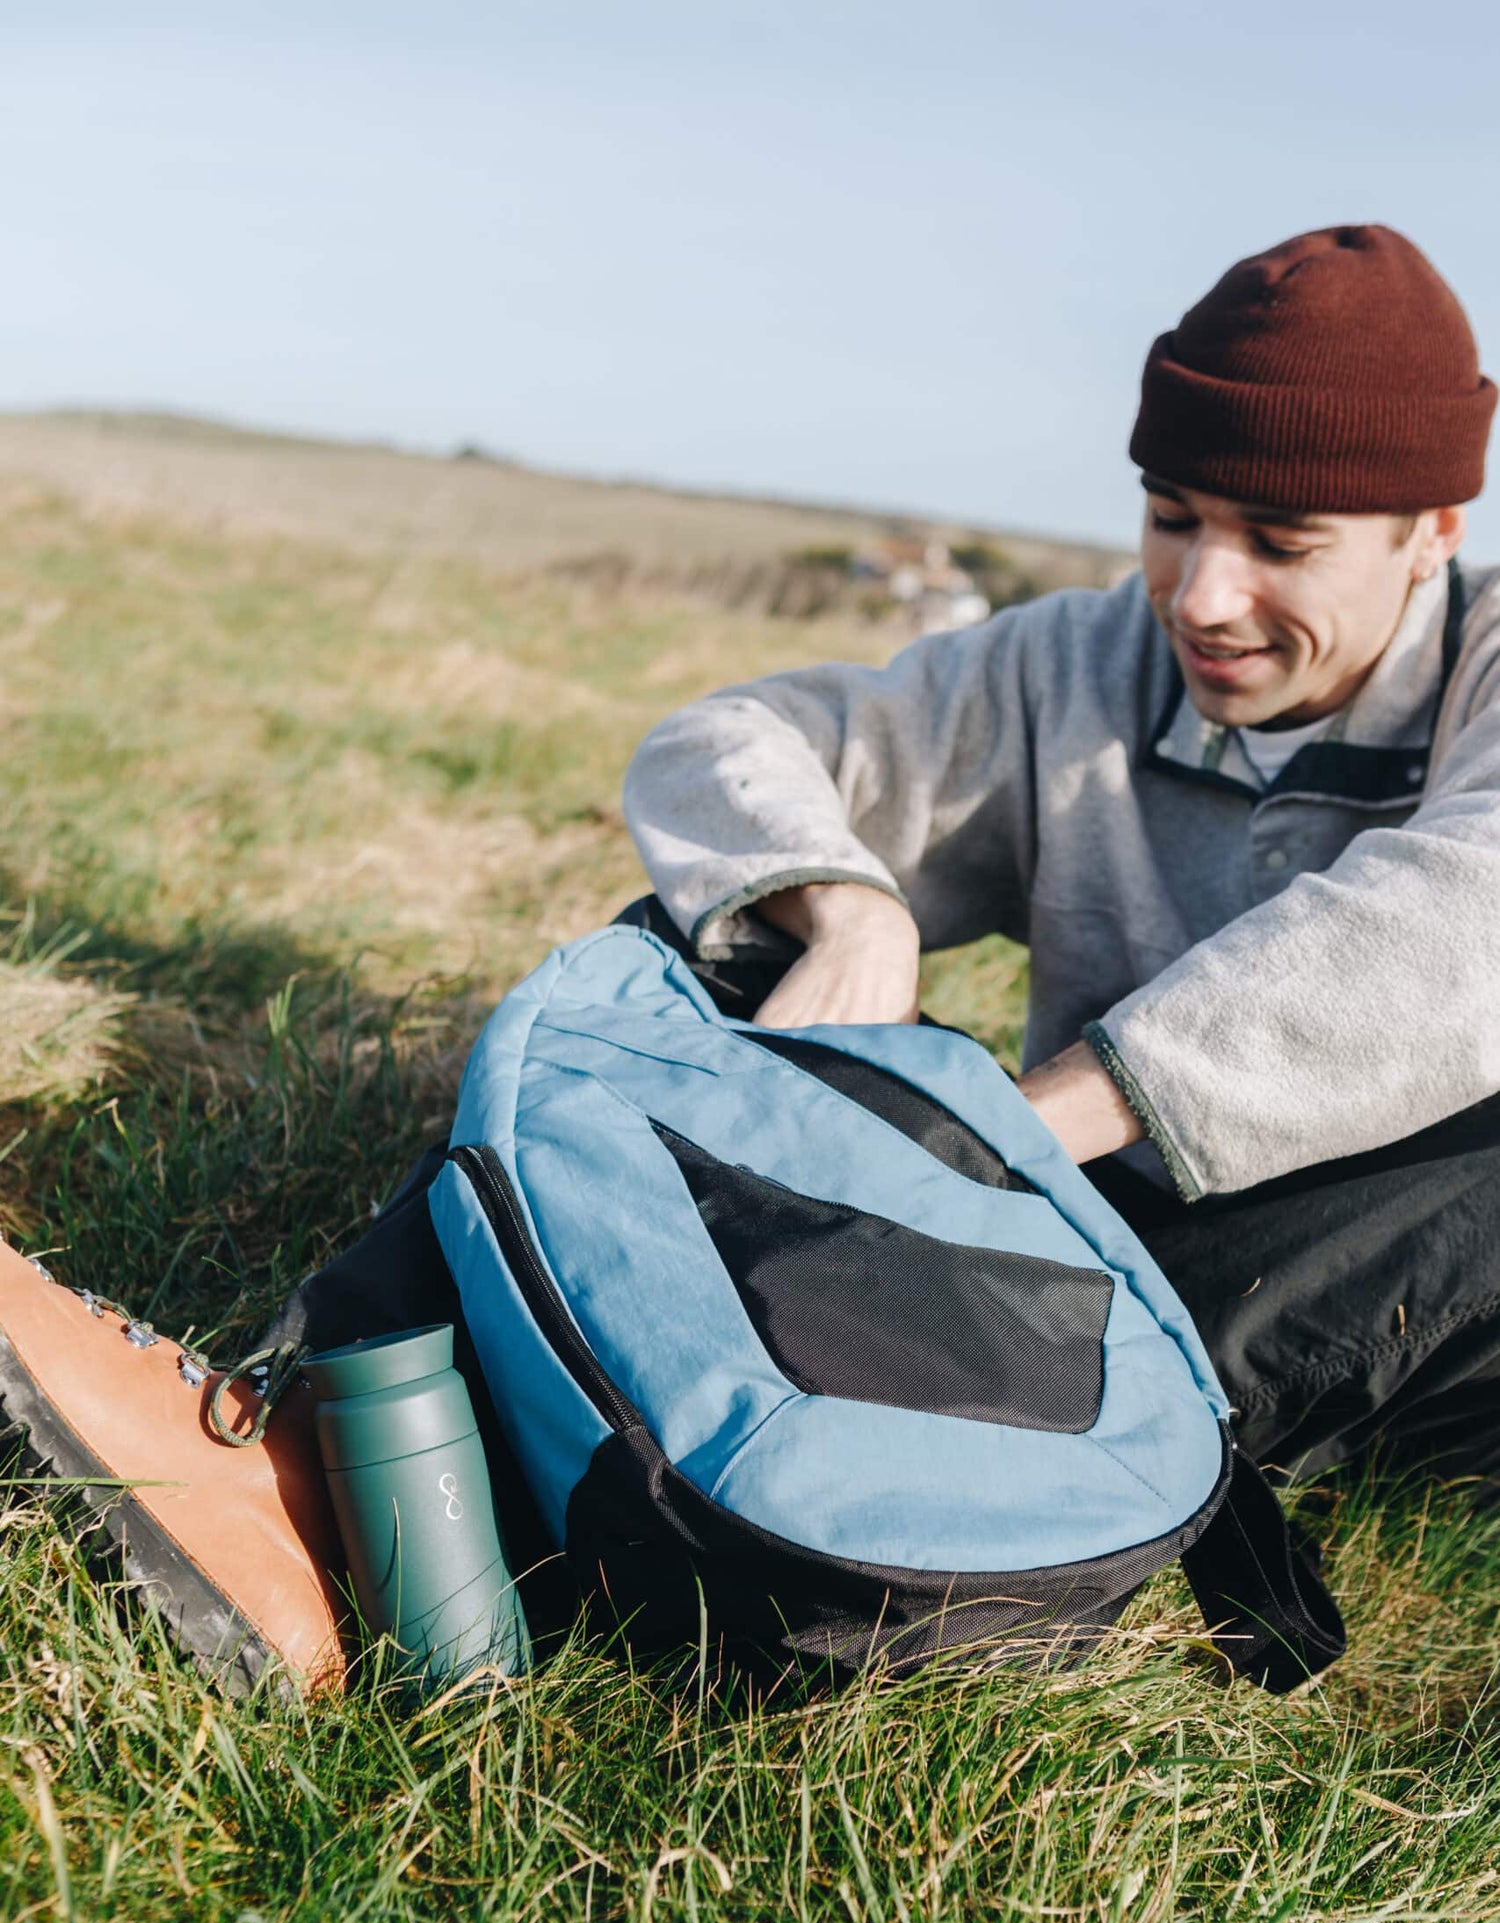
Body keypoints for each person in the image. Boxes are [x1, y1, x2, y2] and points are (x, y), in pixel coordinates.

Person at [3, 222, 1496, 1689]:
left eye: (1282, 544)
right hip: (1071, 1219)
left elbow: (1450, 931)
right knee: (693, 949)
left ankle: (513, 1506)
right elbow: (733, 743)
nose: (1201, 594)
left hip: (1382, 1277)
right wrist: (848, 902)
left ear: (1437, 528)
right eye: (1173, 516)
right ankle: (293, 1457)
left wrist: (980, 1142)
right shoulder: (1079, 662)